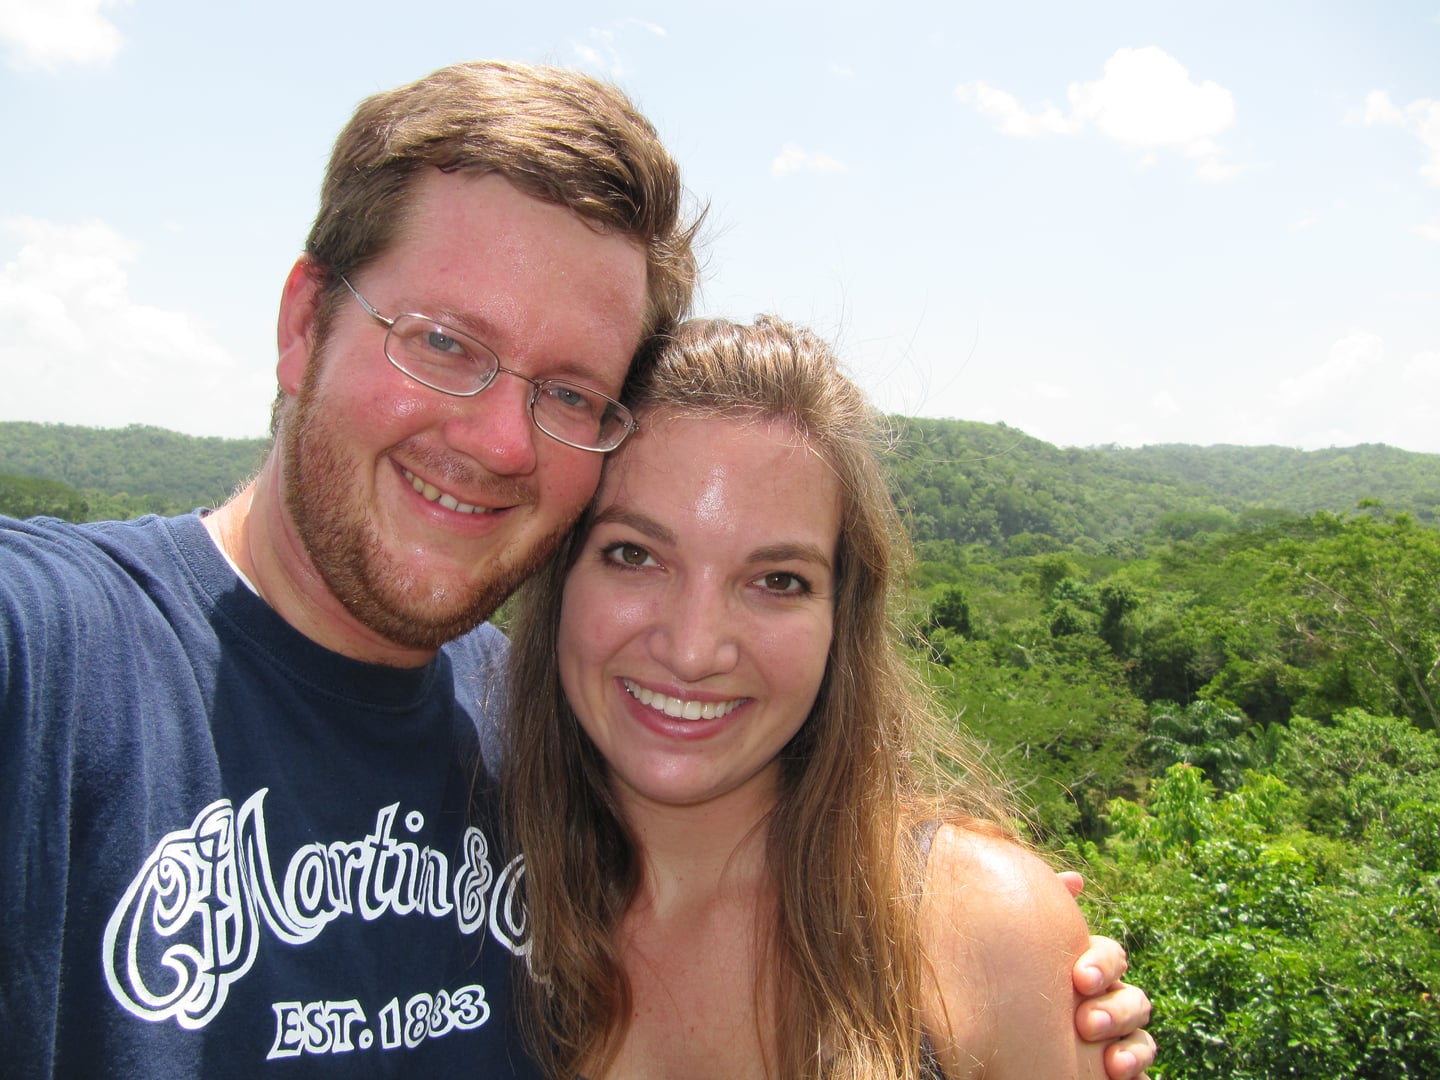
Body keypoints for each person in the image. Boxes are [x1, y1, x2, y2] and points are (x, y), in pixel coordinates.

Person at [0, 61, 1151, 1078]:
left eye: (566, 392)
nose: (501, 442)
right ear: (304, 323)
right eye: (443, 341)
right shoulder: (56, 659)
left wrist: (995, 941)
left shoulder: (532, 743)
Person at [502, 314, 1156, 1079]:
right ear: (558, 575)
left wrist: (1026, 930)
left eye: (778, 580)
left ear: (841, 619)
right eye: (634, 554)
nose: (693, 649)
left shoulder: (976, 931)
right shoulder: (463, 886)